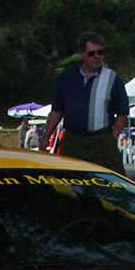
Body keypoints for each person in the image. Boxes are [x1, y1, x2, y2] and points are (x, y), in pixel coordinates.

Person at [40, 32, 129, 175]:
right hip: (73, 140)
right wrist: (46, 137)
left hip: (102, 140)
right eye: (91, 53)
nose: (96, 57)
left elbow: (122, 113)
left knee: (113, 182)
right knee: (68, 182)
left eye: (100, 53)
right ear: (82, 54)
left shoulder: (112, 78)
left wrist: (113, 137)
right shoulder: (66, 77)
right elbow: (57, 111)